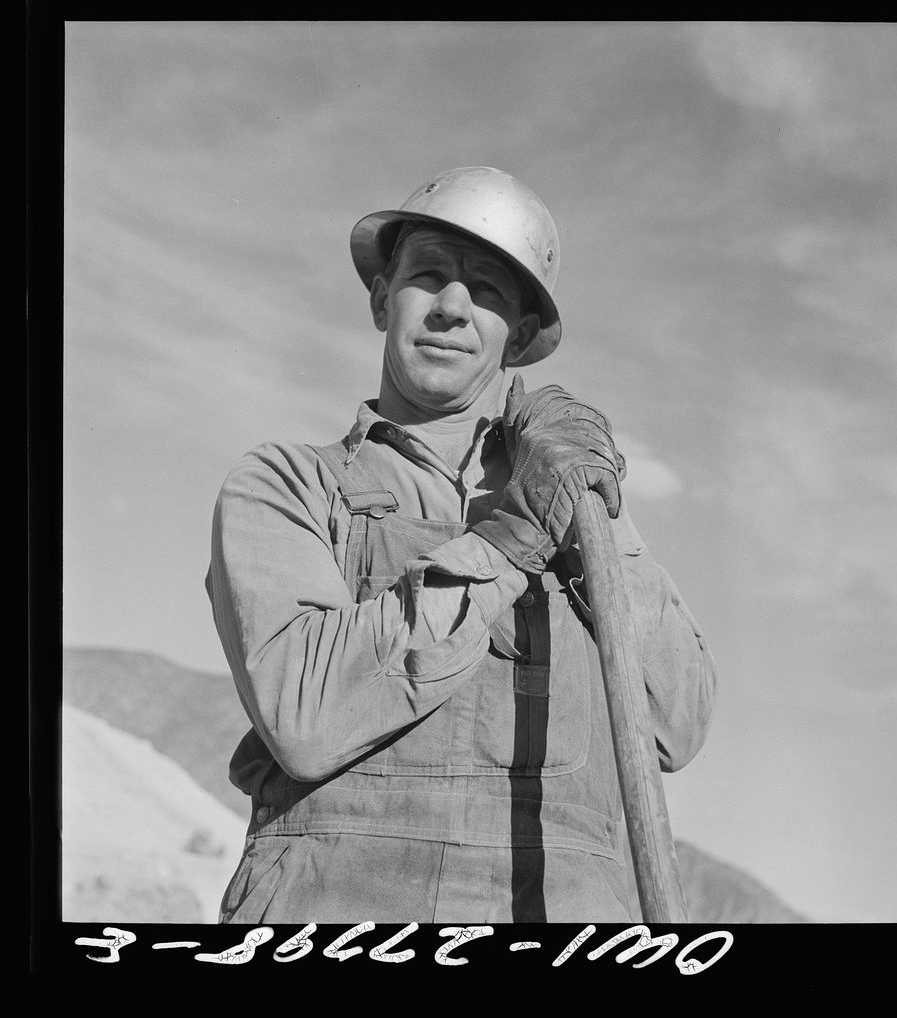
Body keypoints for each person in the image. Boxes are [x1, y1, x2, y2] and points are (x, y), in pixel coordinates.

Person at [206, 166, 716, 924]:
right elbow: (304, 717)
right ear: (382, 298)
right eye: (428, 275)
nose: (451, 306)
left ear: (516, 337)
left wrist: (593, 522)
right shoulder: (286, 484)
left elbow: (676, 721)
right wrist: (510, 539)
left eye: (486, 289)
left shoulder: (576, 504)